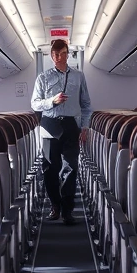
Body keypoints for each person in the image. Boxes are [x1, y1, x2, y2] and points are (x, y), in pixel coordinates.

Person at [30, 39, 91, 225]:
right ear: (51, 55)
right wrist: (51, 102)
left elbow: (86, 104)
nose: (58, 57)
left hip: (71, 125)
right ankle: (54, 206)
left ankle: (67, 210)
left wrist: (85, 126)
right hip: (49, 126)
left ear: (67, 54)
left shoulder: (79, 76)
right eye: (55, 54)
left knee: (70, 168)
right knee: (49, 169)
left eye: (62, 53)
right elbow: (34, 103)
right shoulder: (43, 77)